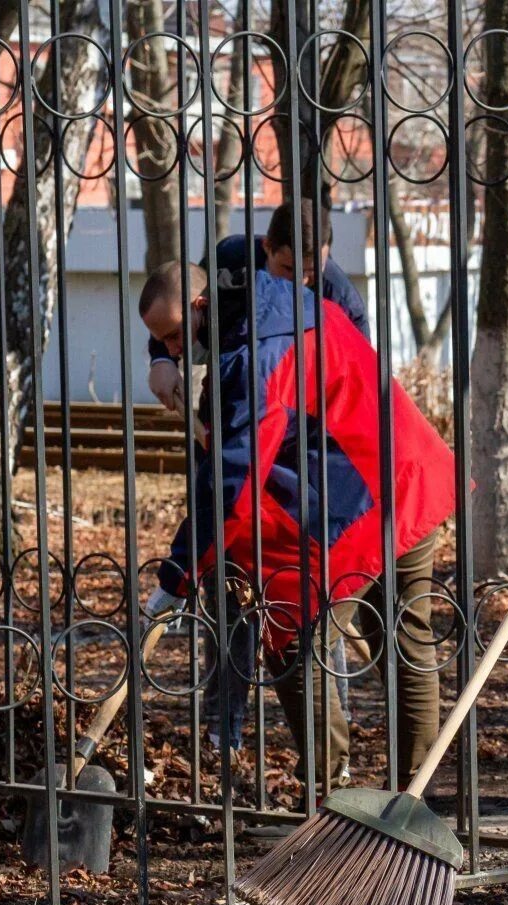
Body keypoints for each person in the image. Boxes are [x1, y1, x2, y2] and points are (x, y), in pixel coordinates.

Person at [137, 260, 455, 794]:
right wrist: (163, 358)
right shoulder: (279, 299)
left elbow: (232, 482)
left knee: (295, 644)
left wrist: (177, 576)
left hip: (361, 497)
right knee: (405, 640)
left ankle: (328, 796)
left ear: (199, 310)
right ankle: (412, 797)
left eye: (172, 338)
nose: (170, 350)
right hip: (408, 469)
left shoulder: (254, 362)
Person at [144, 198, 370, 416]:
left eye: (312, 272)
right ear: (266, 247)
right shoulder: (230, 257)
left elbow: (358, 377)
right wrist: (162, 359)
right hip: (230, 396)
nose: (301, 282)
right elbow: (179, 304)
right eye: (289, 269)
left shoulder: (342, 299)